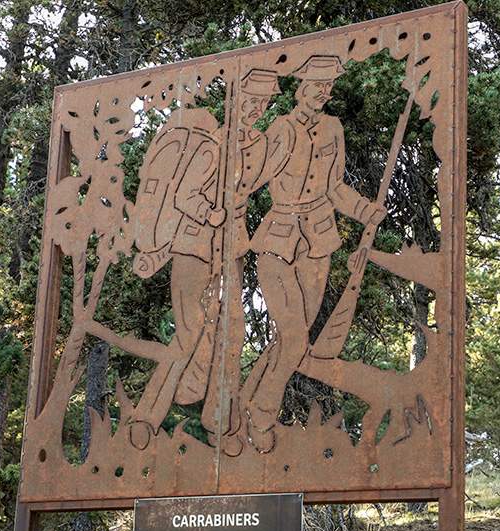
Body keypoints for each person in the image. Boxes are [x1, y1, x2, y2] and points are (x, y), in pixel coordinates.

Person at [129, 69, 279, 449]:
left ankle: (221, 424)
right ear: (235, 103)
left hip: (231, 249)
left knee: (233, 328)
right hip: (194, 244)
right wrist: (211, 214)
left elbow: (254, 184)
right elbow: (184, 196)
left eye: (262, 105)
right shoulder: (213, 145)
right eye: (249, 102)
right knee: (191, 328)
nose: (255, 110)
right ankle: (146, 417)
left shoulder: (258, 145)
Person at [244, 55, 386, 452]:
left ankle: (248, 399)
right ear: (300, 87)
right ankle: (261, 416)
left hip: (319, 243)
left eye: (328, 88)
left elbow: (336, 187)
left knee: (293, 340)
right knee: (292, 339)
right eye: (315, 86)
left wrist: (364, 211)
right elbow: (251, 180)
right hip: (277, 240)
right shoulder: (281, 128)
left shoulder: (332, 129)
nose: (322, 94)